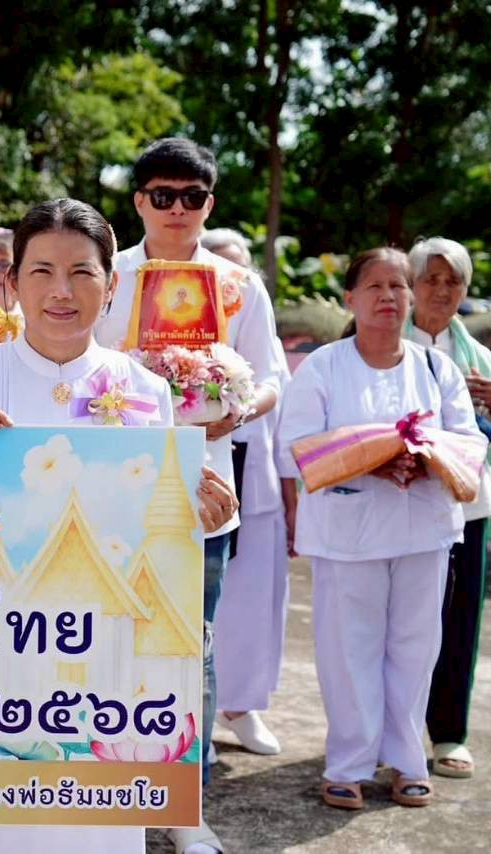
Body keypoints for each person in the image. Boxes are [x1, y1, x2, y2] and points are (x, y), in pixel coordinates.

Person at [0, 197, 239, 854]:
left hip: (104, 662)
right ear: (11, 283)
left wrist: (206, 512)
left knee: (92, 830)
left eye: (82, 272)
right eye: (40, 272)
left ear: (112, 284)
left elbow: (168, 528)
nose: (60, 292)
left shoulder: (146, 391)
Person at [97, 138, 286, 854]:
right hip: (112, 487)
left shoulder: (240, 285)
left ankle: (184, 809)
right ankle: (109, 796)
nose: (177, 209)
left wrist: (239, 406)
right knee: (109, 639)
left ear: (212, 202)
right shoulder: (104, 276)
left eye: (192, 197)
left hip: (205, 487)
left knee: (191, 649)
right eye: (161, 195)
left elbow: (271, 376)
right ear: (138, 200)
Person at [277, 247, 481, 810]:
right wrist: (370, 456)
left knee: (416, 647)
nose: (387, 297)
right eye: (374, 287)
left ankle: (407, 760)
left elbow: (467, 440)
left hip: (423, 529)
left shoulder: (435, 368)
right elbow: (295, 448)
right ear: (351, 298)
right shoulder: (324, 366)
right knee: (348, 649)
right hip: (349, 533)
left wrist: (423, 457)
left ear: (411, 298)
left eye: (398, 287)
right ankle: (347, 764)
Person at [404, 236, 491, 780]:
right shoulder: (386, 341)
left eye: (453, 281)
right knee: (401, 623)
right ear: (413, 285)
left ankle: (448, 736)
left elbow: (489, 432)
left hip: (466, 503)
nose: (441, 290)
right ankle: (393, 732)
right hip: (404, 499)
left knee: (460, 619)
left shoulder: (478, 353)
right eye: (430, 279)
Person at [201, 228, 290, 757]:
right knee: (206, 606)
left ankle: (242, 705)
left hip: (256, 477)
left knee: (255, 599)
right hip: (204, 468)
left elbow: (280, 402)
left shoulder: (259, 327)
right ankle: (202, 721)